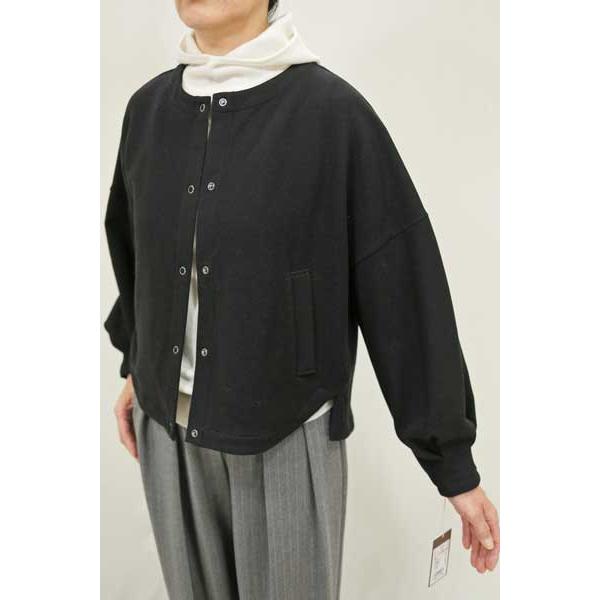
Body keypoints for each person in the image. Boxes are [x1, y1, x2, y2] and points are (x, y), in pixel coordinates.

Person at [104, 1, 500, 598]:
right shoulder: (149, 110)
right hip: (166, 433)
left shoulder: (332, 115)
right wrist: (138, 359)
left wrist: (452, 463)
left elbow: (402, 286)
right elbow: (134, 246)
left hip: (285, 431)